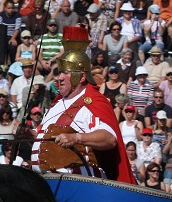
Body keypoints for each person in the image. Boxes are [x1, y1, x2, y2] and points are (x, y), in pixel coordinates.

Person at [30, 27, 137, 183]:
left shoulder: (93, 102)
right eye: (59, 72)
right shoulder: (56, 104)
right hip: (46, 183)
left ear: (80, 77)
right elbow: (43, 136)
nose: (59, 78)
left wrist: (76, 137)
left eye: (65, 72)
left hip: (77, 183)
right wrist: (29, 135)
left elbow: (109, 138)